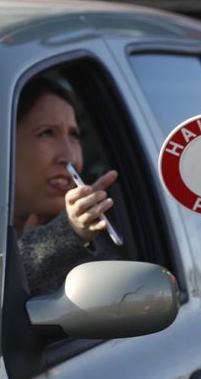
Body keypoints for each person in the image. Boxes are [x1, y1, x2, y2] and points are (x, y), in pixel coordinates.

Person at [14, 76, 121, 295]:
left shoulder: (92, 245)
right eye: (46, 133)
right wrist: (59, 238)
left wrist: (71, 235)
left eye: (74, 135)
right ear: (1, 142)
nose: (70, 157)